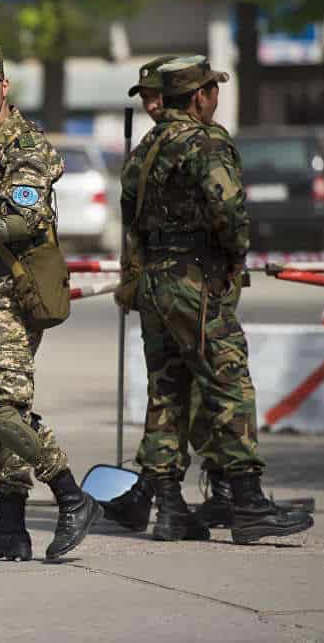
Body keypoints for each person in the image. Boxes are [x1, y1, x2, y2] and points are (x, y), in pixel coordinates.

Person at [113, 55, 314, 544]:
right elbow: (229, 208)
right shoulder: (207, 141)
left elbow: (130, 217)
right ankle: (247, 503)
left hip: (155, 282)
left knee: (167, 390)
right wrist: (234, 254)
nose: (215, 98)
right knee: (229, 384)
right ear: (201, 95)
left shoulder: (147, 146)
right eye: (213, 91)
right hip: (196, 278)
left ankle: (170, 510)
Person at [0, 45, 101, 562]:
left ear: (5, 87)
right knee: (0, 403)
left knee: (0, 406)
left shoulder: (24, 147)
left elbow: (13, 223)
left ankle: (72, 495)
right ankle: (10, 527)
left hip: (16, 288)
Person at [105, 55, 235, 534]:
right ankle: (194, 491)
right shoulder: (162, 147)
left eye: (160, 95)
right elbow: (134, 228)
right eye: (147, 99)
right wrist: (131, 279)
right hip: (182, 282)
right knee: (190, 388)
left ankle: (186, 490)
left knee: (189, 389)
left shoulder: (172, 145)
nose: (154, 106)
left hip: (191, 279)